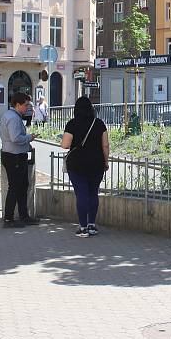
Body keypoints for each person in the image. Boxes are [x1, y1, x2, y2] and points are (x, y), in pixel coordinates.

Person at [60, 96, 109, 237]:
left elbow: (65, 145)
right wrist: (105, 162)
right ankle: (92, 225)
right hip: (96, 164)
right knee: (93, 193)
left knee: (81, 194)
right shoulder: (99, 124)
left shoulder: (72, 124)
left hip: (76, 165)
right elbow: (105, 145)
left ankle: (82, 228)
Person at [0, 92, 40, 228]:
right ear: (17, 105)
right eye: (25, 105)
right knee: (15, 188)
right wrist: (29, 138)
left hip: (15, 155)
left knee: (22, 187)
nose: (27, 108)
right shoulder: (13, 118)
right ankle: (9, 219)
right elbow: (15, 138)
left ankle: (24, 216)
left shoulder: (11, 116)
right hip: (14, 157)